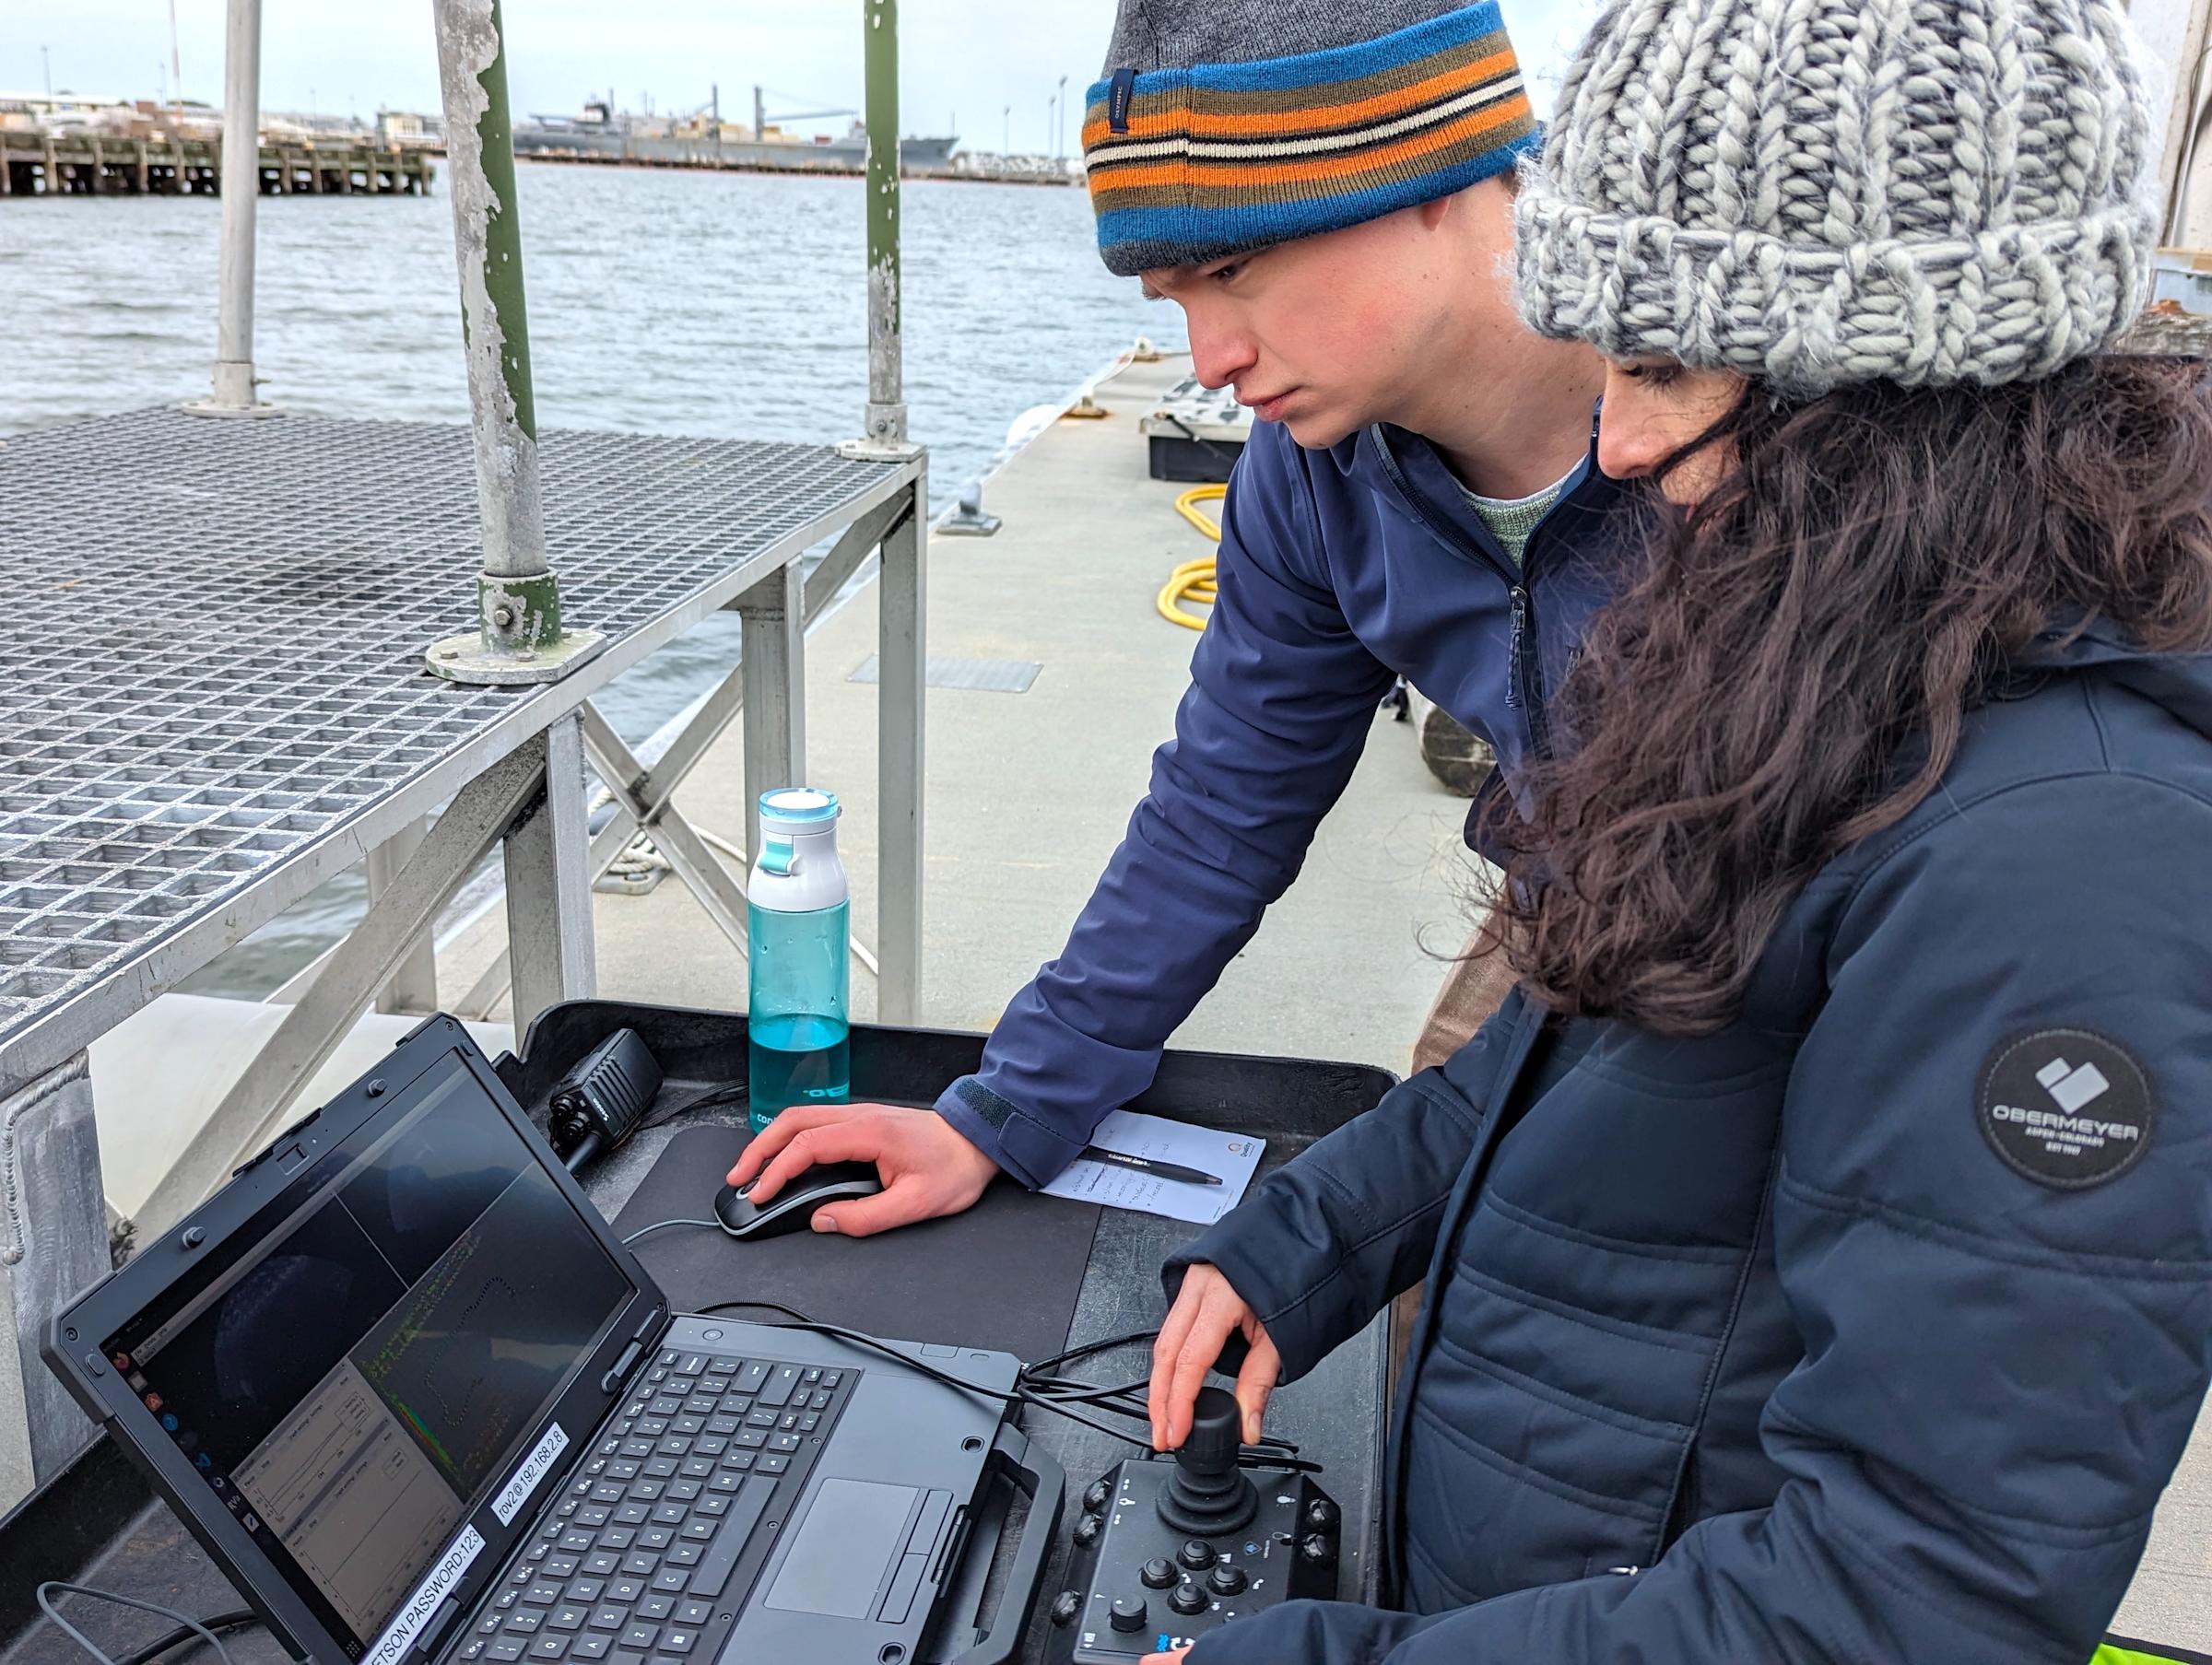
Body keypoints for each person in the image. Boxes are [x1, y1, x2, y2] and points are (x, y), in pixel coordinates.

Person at [1138, 0, 2212, 1659]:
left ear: (1887, 392)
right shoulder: (1836, 661)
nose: (1616, 446)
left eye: (1660, 368)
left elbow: (1919, 1599)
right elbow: (1591, 1054)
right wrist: (1307, 1237)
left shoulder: (2072, 863)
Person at [732, 0, 1616, 1236]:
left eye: (1235, 272)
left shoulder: (1747, 408)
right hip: (1582, 889)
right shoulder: (1309, 476)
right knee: (1444, 1242)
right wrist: (1005, 1109)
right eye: (1173, 298)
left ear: (1431, 163)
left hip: (1838, 913)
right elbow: (1222, 810)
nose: (1207, 360)